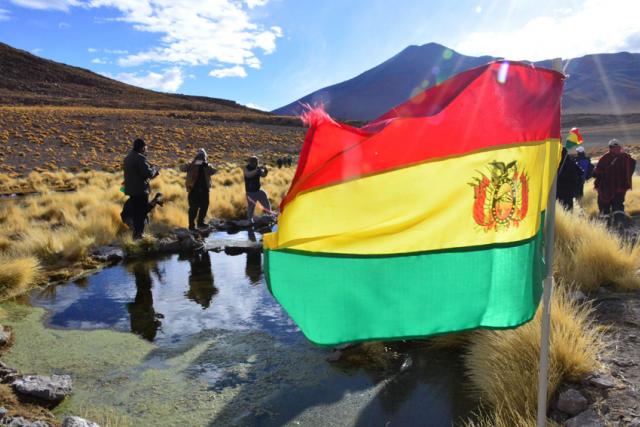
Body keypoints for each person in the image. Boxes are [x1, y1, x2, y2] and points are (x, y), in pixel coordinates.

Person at [122, 138, 161, 239]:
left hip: (131, 190)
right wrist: (155, 169)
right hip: (140, 190)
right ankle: (139, 235)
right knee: (142, 212)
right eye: (145, 147)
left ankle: (136, 234)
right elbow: (148, 174)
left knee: (136, 212)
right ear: (142, 147)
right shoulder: (140, 158)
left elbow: (136, 173)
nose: (146, 149)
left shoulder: (127, 158)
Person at [593, 139, 636, 225]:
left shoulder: (605, 158)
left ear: (610, 148)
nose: (616, 149)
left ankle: (607, 226)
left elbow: (596, 173)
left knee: (606, 208)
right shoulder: (626, 158)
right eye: (614, 147)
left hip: (606, 189)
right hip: (618, 188)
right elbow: (632, 166)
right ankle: (619, 225)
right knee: (617, 207)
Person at [181, 149, 217, 230]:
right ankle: (191, 226)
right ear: (196, 157)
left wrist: (207, 165)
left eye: (202, 156)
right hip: (193, 190)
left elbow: (214, 171)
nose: (201, 158)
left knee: (204, 206)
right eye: (199, 156)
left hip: (204, 190)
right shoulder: (191, 164)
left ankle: (200, 223)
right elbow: (182, 168)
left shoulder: (206, 165)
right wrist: (193, 163)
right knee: (193, 208)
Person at [243, 156, 272, 223]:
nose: (257, 163)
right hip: (250, 192)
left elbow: (263, 175)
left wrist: (265, 171)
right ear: (252, 162)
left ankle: (269, 216)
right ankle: (250, 221)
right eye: (256, 162)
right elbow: (248, 175)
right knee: (251, 207)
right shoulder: (246, 168)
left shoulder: (257, 168)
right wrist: (257, 170)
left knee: (266, 202)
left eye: (257, 162)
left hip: (258, 190)